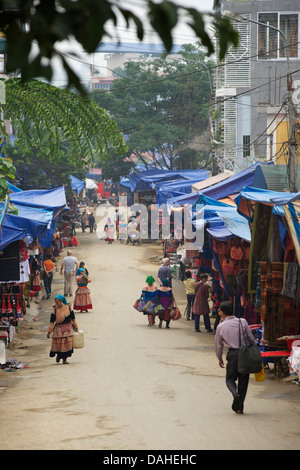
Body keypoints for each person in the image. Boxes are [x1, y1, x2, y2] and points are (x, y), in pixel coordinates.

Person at [215, 301, 257, 414]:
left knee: (230, 379)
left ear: (222, 312)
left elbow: (219, 345)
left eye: (219, 310)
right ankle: (239, 408)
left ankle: (235, 393)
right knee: (243, 381)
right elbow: (251, 339)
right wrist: (255, 351)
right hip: (245, 353)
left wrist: (219, 358)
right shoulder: (242, 321)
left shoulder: (221, 326)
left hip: (233, 354)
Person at [47, 294, 79, 364]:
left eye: (57, 301)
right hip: (58, 329)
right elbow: (52, 321)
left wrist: (76, 327)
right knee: (59, 344)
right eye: (55, 301)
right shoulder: (55, 309)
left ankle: (64, 359)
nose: (56, 302)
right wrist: (49, 332)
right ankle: (59, 356)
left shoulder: (68, 308)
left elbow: (73, 318)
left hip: (68, 328)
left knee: (67, 345)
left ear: (61, 301)